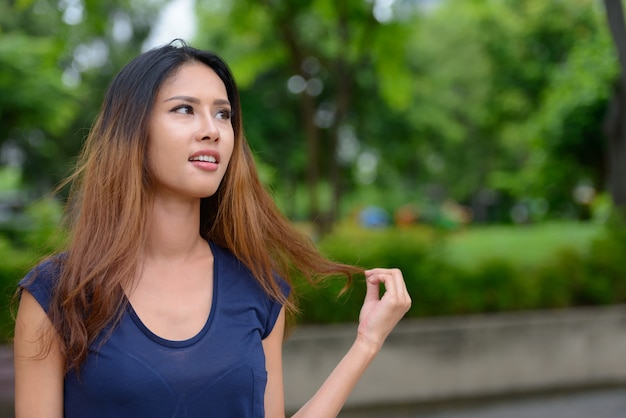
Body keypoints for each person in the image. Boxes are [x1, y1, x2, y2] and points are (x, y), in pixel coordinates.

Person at [13, 40, 411, 418]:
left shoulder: (258, 287)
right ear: (133, 130)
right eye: (185, 109)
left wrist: (367, 343)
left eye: (223, 114)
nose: (213, 129)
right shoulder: (59, 294)